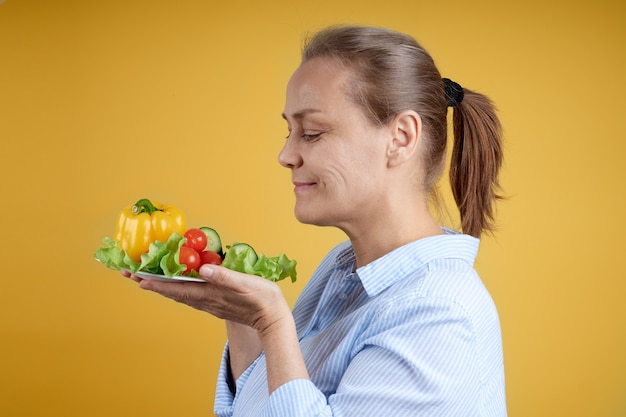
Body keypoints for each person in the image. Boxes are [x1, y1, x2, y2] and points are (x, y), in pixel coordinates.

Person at [127, 25, 507, 416]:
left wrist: (273, 324)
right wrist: (243, 319)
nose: (286, 155)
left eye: (311, 133)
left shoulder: (437, 314)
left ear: (401, 137)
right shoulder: (341, 269)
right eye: (289, 131)